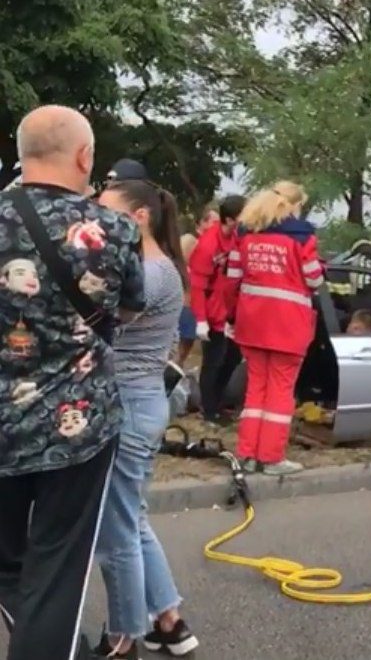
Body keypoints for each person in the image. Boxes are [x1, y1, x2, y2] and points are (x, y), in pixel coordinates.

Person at [0, 105, 145, 660]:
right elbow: (129, 310)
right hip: (76, 427)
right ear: (84, 157)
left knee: (10, 564)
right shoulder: (112, 229)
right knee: (57, 571)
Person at [94, 180, 199, 659]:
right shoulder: (155, 267)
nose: (94, 222)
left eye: (105, 213)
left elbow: (94, 323)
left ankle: (122, 637)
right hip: (141, 402)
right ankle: (170, 622)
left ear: (138, 218)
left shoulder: (149, 273)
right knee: (132, 518)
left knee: (116, 530)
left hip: (131, 406)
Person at [226, 181, 323, 475]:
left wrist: (232, 317)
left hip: (252, 321)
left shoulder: (245, 234)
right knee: (281, 391)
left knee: (256, 389)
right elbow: (315, 279)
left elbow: (232, 277)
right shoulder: (301, 237)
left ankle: (247, 454)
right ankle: (271, 458)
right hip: (288, 325)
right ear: (292, 205)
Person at [189, 194, 245, 425]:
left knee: (232, 357)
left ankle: (218, 402)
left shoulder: (235, 239)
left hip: (229, 311)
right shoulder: (208, 245)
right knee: (214, 361)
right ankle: (209, 410)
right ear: (230, 219)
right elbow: (198, 285)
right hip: (212, 313)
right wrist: (201, 319)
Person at [176, 206, 219, 366]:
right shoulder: (190, 241)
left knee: (186, 347)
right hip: (185, 302)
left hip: (199, 305)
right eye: (214, 222)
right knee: (177, 346)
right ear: (201, 223)